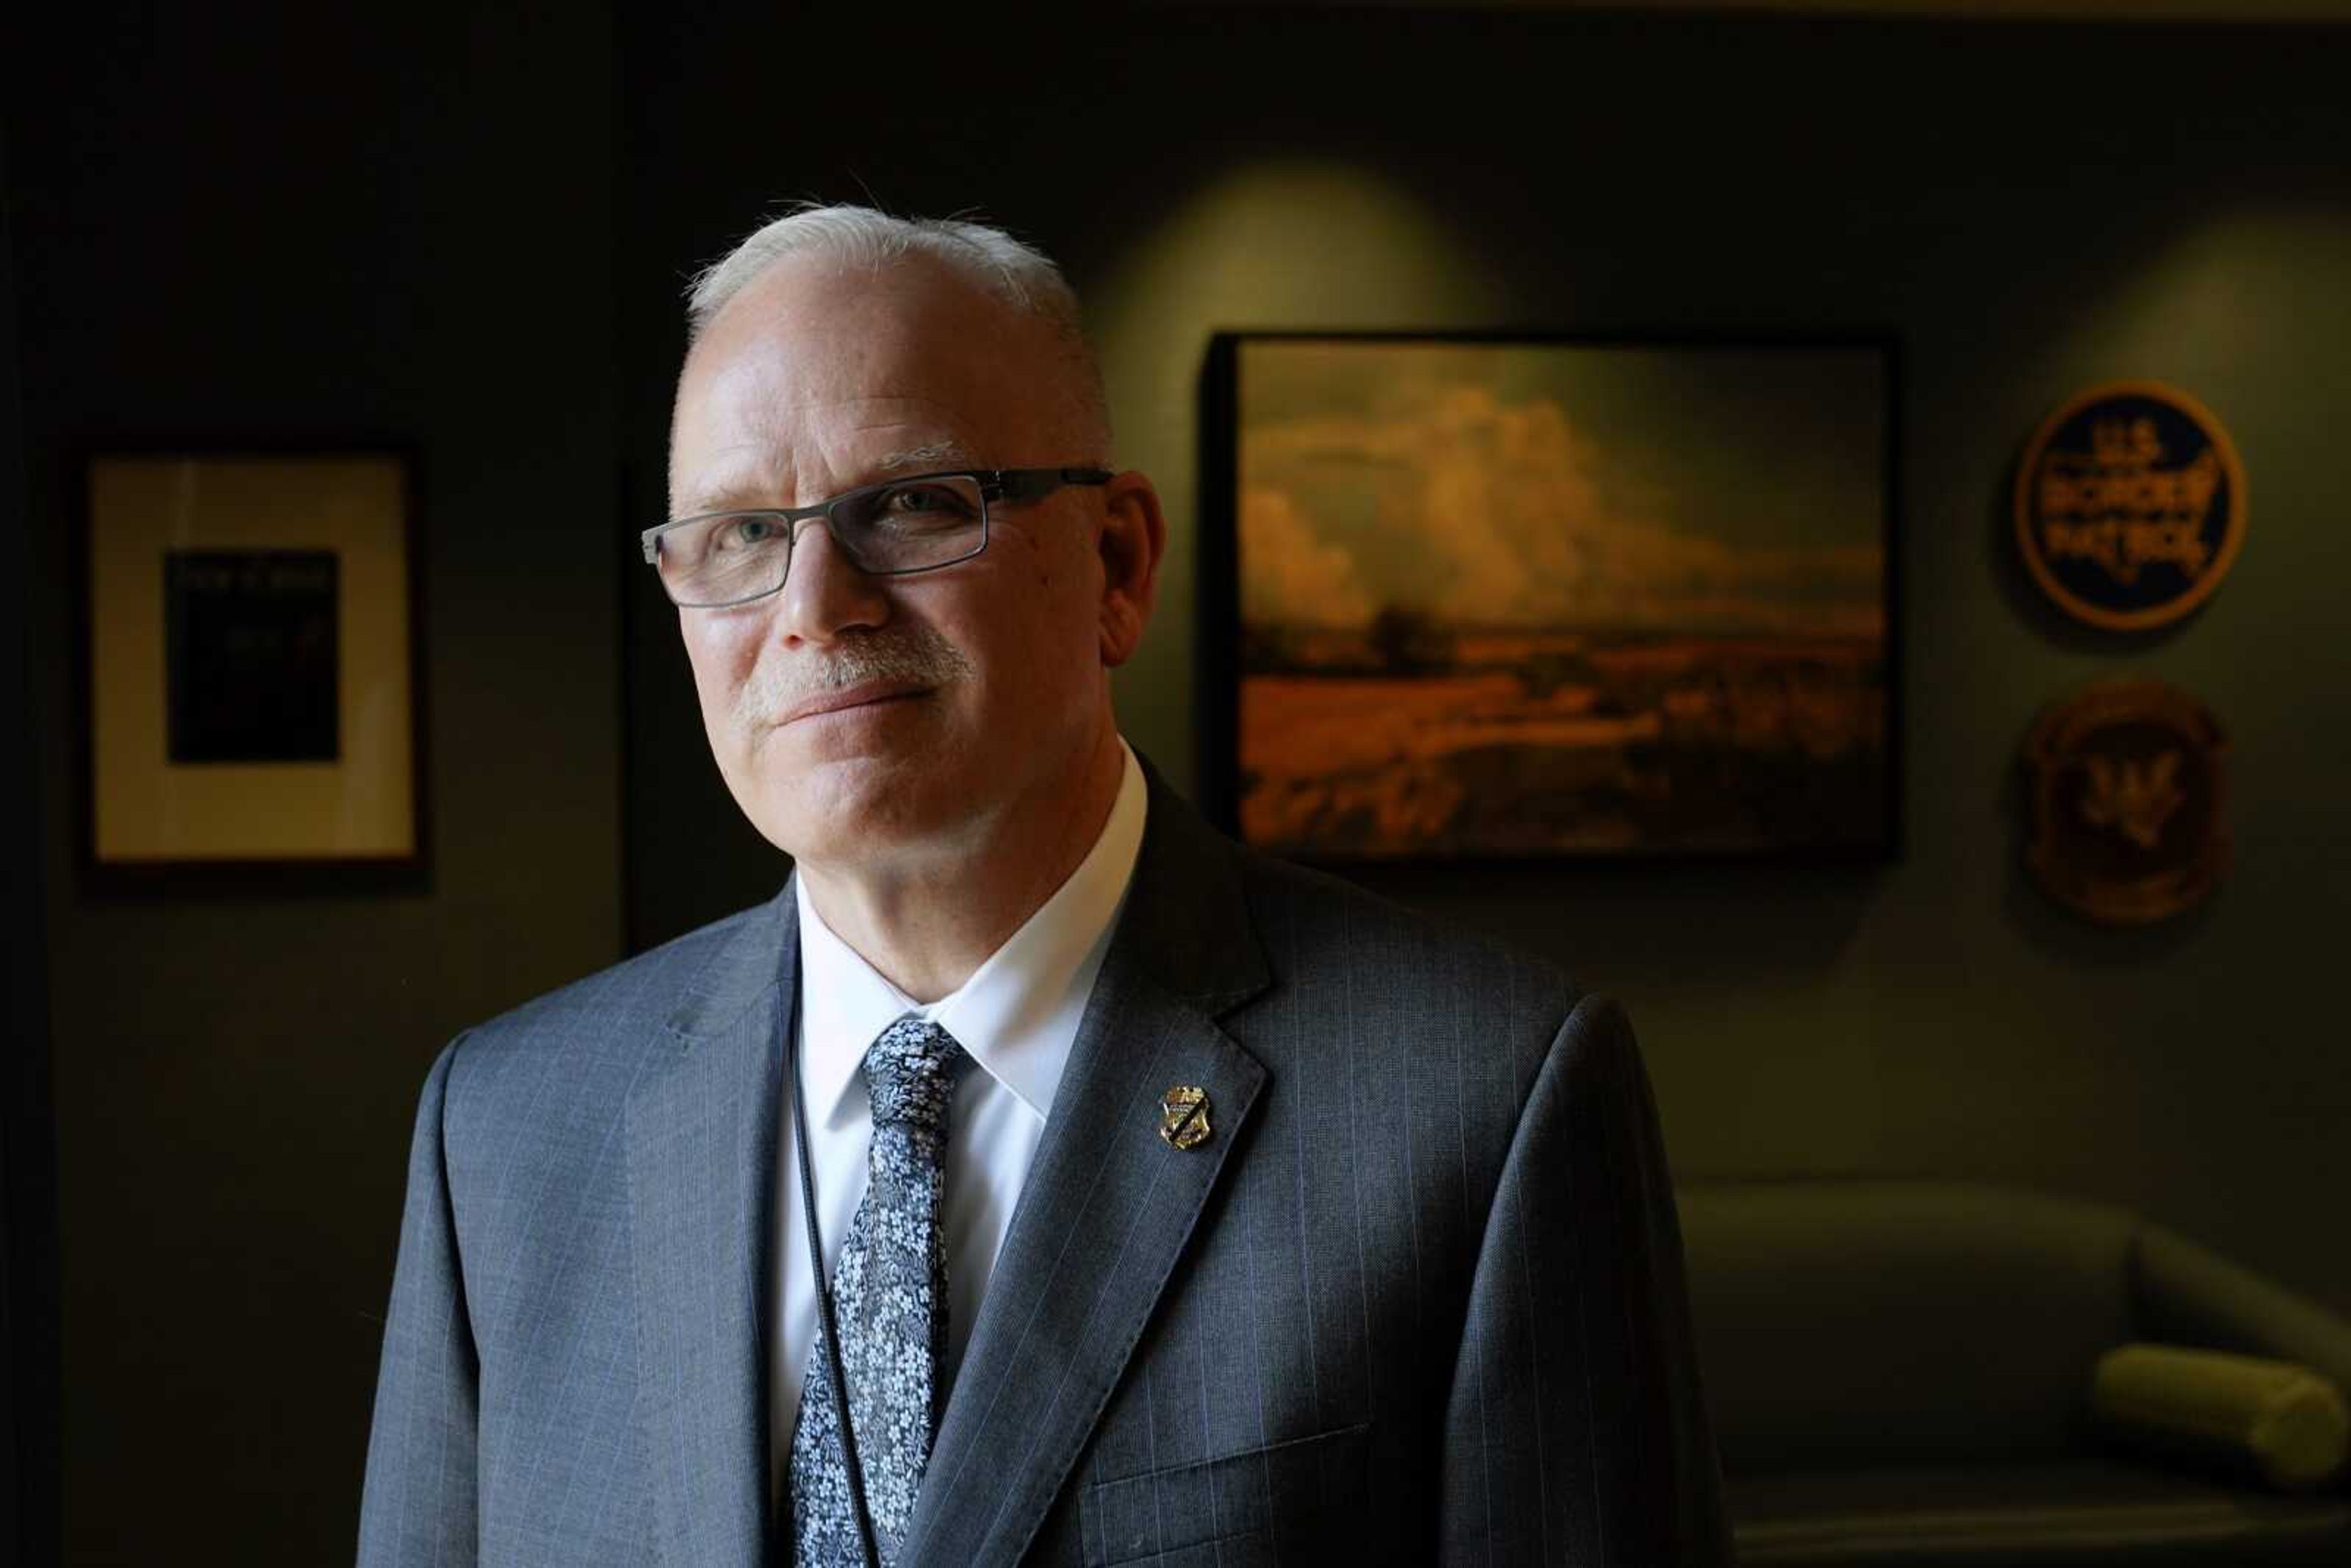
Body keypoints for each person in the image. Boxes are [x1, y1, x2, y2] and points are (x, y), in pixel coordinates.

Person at [358, 204, 1731, 1567]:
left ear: (1117, 568)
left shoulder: (1477, 1107)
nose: (814, 605)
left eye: (910, 503)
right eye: (735, 534)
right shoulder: (507, 1131)